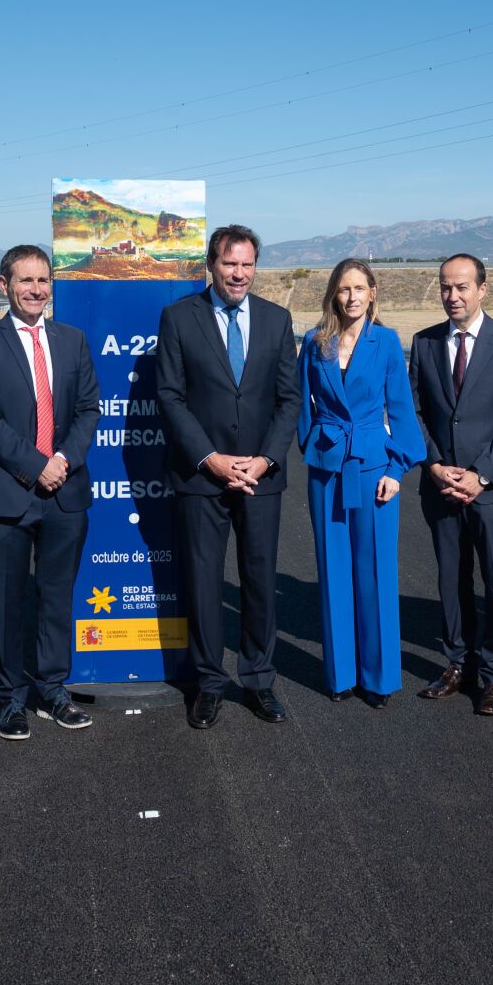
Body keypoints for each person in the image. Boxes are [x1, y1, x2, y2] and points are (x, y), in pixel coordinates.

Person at [155, 224, 301, 730]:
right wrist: (211, 459)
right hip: (202, 478)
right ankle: (209, 683)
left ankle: (259, 680)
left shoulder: (277, 320)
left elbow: (288, 400)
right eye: (229, 263)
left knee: (258, 582)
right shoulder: (178, 318)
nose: (238, 274)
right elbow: (169, 397)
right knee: (202, 583)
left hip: (261, 476)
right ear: (211, 265)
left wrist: (265, 459)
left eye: (247, 264)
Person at [0, 244, 101, 740]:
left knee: (56, 596)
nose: (36, 290)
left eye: (43, 280)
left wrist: (61, 462)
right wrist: (35, 465)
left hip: (65, 492)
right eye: (26, 281)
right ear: (5, 285)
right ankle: (10, 697)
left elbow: (89, 409)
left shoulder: (73, 341)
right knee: (5, 601)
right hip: (9, 493)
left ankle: (53, 688)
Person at [410, 254, 493, 716]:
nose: (453, 296)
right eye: (445, 287)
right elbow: (415, 412)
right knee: (451, 578)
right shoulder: (424, 343)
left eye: (462, 287)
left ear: (483, 289)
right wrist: (437, 465)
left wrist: (481, 475)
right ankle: (458, 663)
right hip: (441, 484)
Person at [297, 259, 426, 705]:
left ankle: (379, 677)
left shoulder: (388, 342)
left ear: (373, 292)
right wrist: (311, 445)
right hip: (328, 467)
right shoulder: (316, 344)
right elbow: (302, 406)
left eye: (359, 288)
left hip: (375, 470)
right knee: (333, 571)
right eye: (343, 289)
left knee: (375, 573)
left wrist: (396, 470)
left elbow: (403, 411)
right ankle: (341, 676)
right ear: (333, 294)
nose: (351, 297)